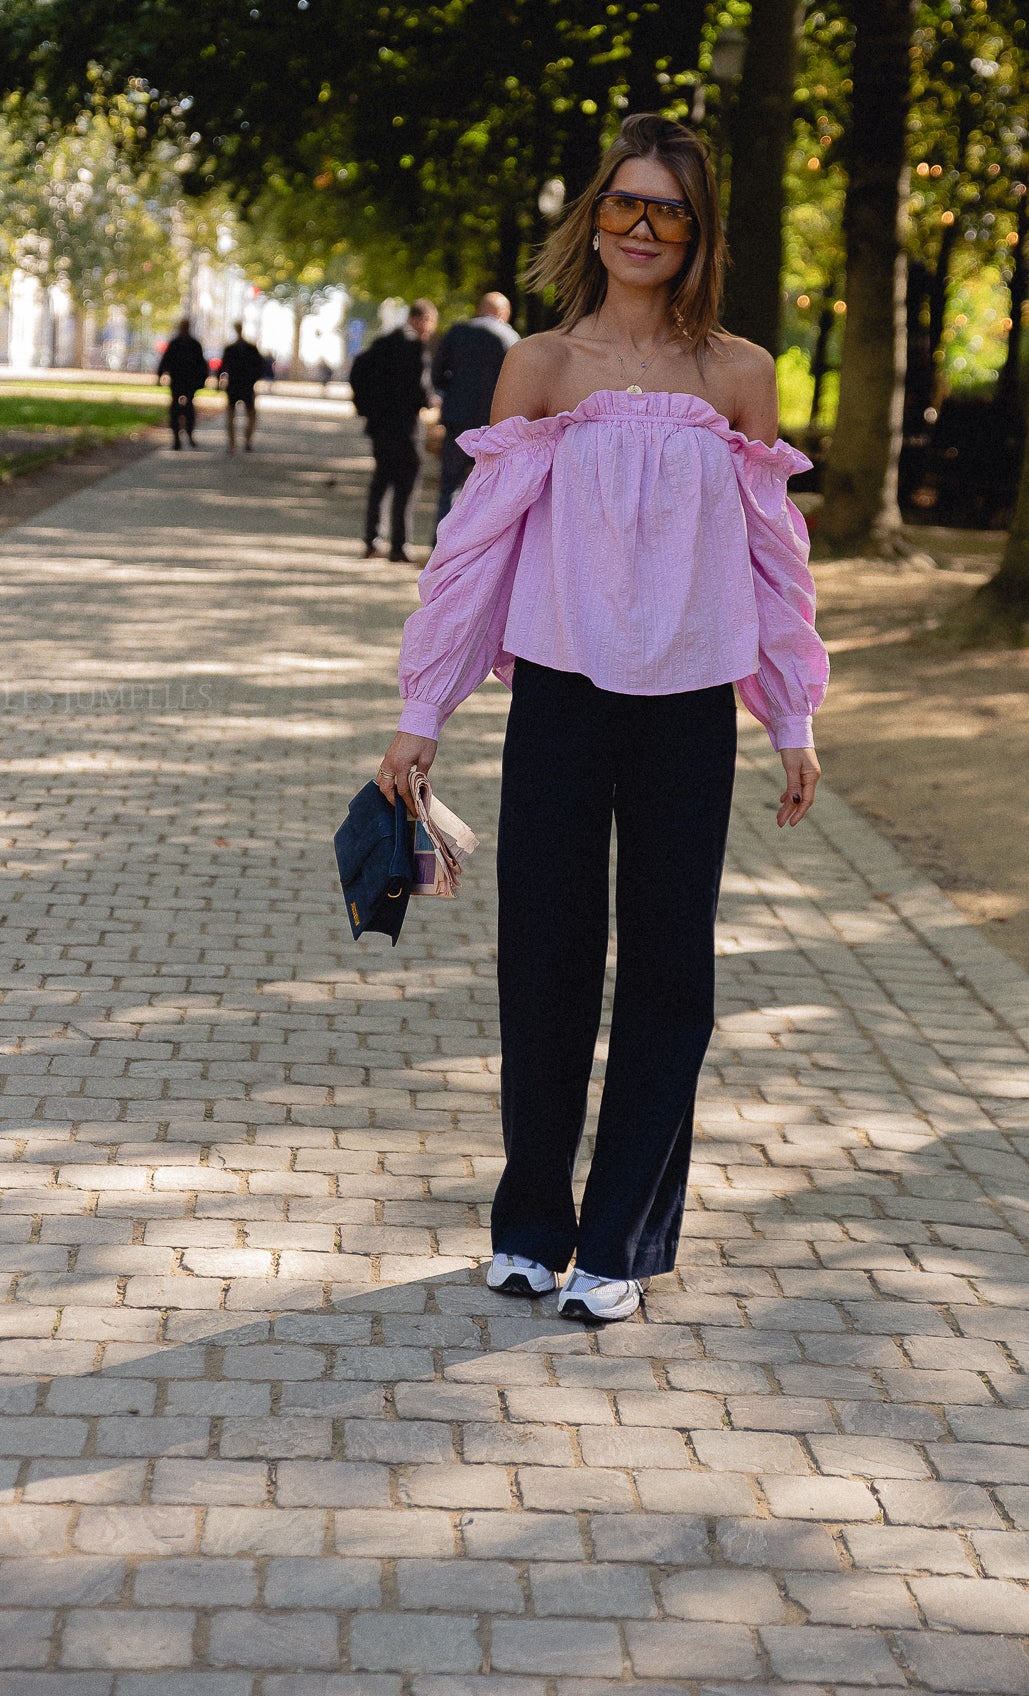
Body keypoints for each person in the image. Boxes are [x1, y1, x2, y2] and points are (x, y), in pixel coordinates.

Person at [375, 114, 828, 1324]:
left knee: (670, 973)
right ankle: (531, 1220)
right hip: (563, 699)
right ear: (594, 218)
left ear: (697, 230)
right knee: (546, 960)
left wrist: (791, 714)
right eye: (623, 204)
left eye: (666, 209)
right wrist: (423, 708)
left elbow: (775, 559)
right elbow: (473, 553)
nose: (640, 227)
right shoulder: (543, 367)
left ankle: (623, 1238)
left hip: (689, 709)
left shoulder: (738, 374)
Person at [349, 299, 438, 561]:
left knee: (381, 481)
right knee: (406, 485)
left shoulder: (381, 344)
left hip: (380, 426)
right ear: (422, 320)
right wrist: (430, 400)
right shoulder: (415, 348)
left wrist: (365, 407)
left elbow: (358, 373)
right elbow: (421, 388)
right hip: (407, 427)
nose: (430, 330)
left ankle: (373, 539)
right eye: (431, 323)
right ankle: (399, 545)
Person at [431, 291, 519, 532]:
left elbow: (437, 375)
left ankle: (440, 545)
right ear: (504, 313)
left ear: (480, 308)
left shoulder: (457, 332)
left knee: (449, 485)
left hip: (457, 420)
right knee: (489, 488)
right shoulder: (511, 339)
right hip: (494, 424)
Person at [220, 321, 271, 454]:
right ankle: (234, 443)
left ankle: (243, 442)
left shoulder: (242, 348)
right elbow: (222, 367)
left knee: (247, 415)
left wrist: (253, 379)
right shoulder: (238, 348)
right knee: (236, 415)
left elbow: (260, 366)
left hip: (243, 386)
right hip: (238, 386)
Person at [158, 319, 208, 449]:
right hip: (181, 381)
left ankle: (185, 436)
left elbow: (201, 365)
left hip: (186, 382)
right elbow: (166, 361)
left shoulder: (186, 344)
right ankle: (179, 438)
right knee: (181, 409)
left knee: (185, 409)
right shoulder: (186, 344)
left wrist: (161, 375)